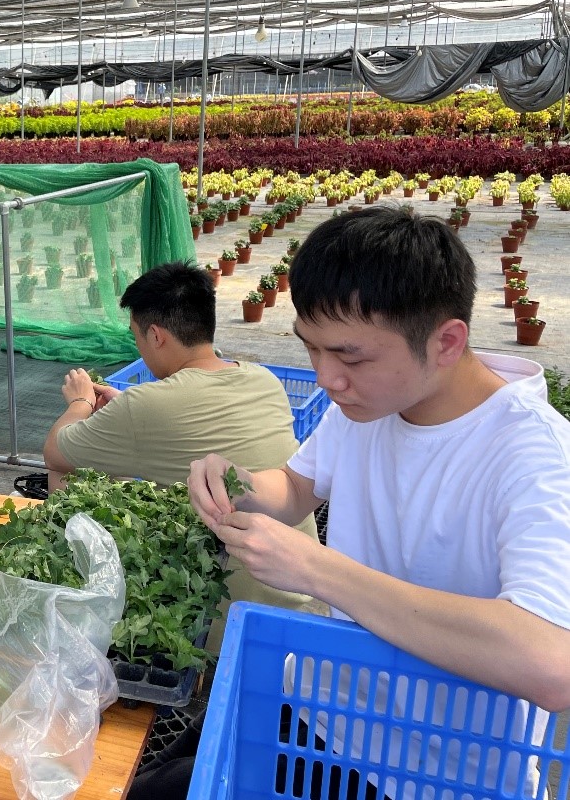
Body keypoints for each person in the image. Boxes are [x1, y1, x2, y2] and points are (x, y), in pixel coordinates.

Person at [186, 207, 570, 797]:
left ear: (446, 342)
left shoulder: (535, 456)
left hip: (442, 773)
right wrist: (234, 482)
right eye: (312, 349)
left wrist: (316, 570)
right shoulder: (367, 405)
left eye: (351, 357)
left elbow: (549, 662)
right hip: (324, 714)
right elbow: (295, 489)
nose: (326, 379)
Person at [42, 261, 321, 653]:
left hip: (226, 626)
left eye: (137, 337)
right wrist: (128, 409)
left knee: (71, 478)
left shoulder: (147, 407)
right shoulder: (263, 379)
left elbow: (56, 453)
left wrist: (81, 401)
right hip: (298, 601)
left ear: (156, 336)